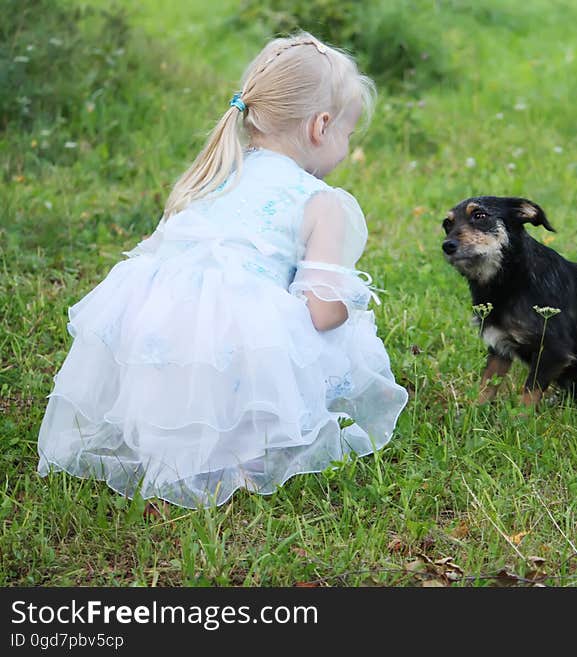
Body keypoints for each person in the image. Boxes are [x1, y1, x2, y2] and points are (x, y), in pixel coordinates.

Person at [36, 32, 409, 508]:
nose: (346, 145)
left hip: (151, 332)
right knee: (325, 332)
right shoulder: (321, 202)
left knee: (227, 328)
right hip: (230, 339)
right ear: (321, 127)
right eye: (348, 134)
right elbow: (321, 313)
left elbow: (159, 250)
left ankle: (168, 432)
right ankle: (242, 449)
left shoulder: (216, 171)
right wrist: (350, 312)